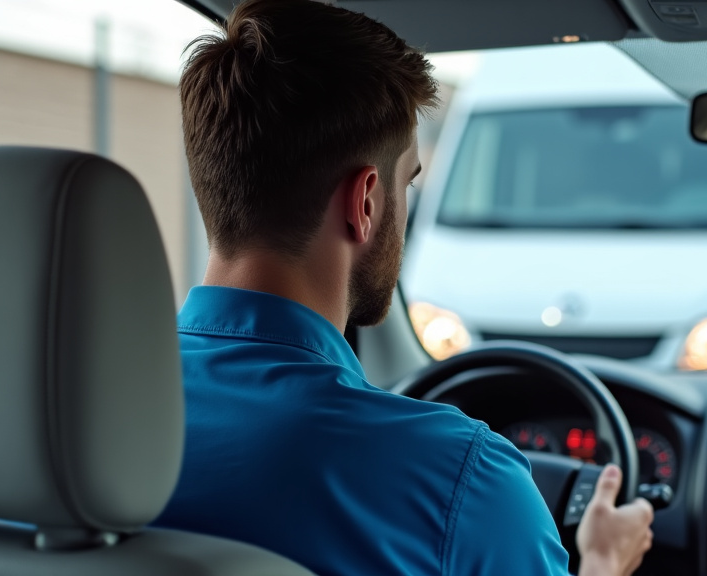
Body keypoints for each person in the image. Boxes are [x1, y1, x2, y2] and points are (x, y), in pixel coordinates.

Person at [154, 0, 655, 574]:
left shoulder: (72, 425)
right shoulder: (461, 481)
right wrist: (603, 562)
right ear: (365, 202)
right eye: (408, 182)